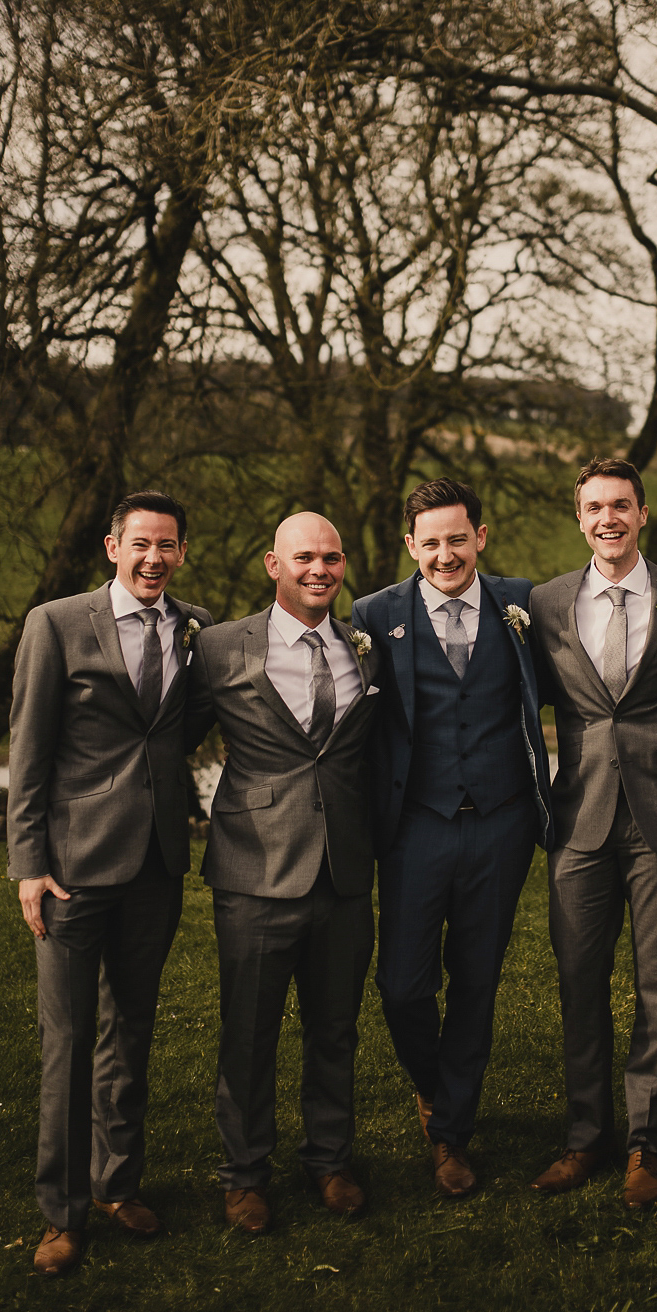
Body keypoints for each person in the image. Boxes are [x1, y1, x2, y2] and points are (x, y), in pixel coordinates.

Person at [7, 491, 213, 1277]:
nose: (154, 558)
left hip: (156, 866)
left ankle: (116, 1183)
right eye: (141, 545)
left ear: (181, 552)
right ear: (111, 547)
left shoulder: (195, 628)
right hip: (70, 872)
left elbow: (181, 727)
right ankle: (60, 1215)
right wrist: (28, 862)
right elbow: (28, 751)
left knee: (131, 1030)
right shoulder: (56, 624)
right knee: (66, 1041)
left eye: (167, 545)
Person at [351, 478, 552, 1198]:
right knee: (402, 985)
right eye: (430, 542)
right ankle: (434, 1086)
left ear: (481, 538)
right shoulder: (374, 614)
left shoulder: (521, 604)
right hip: (414, 828)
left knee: (476, 982)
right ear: (412, 545)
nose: (445, 554)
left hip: (501, 824)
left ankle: (450, 1136)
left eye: (457, 539)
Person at [527, 457, 657, 1206]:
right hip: (578, 818)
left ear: (643, 514)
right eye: (595, 507)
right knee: (579, 984)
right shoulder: (545, 604)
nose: (609, 518)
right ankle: (584, 1139)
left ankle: (648, 1146)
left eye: (622, 506)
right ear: (579, 519)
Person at [185, 512, 382, 1235]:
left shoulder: (365, 648)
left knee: (335, 1029)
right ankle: (244, 1175)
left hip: (343, 868)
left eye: (331, 558)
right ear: (273, 564)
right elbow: (171, 735)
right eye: (304, 558)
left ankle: (330, 1161)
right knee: (250, 1030)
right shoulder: (218, 647)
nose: (320, 570)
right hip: (253, 869)